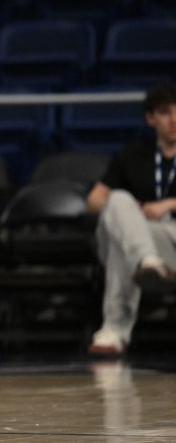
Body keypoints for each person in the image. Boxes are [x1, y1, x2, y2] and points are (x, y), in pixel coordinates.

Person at [86, 81, 176, 357]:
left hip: (171, 240)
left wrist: (168, 204)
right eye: (165, 112)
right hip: (142, 240)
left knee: (122, 241)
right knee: (118, 202)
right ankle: (147, 261)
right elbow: (94, 200)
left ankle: (115, 330)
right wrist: (137, 209)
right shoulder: (132, 155)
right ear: (150, 118)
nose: (174, 120)